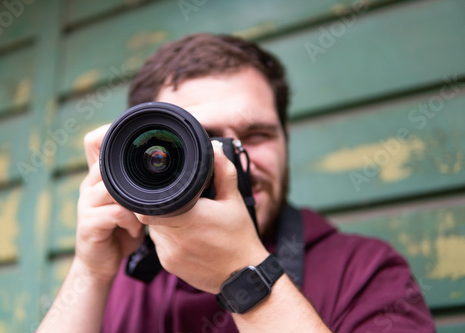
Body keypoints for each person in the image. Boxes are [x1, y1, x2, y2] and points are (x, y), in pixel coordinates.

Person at [39, 34, 435, 332]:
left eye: (257, 135)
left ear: (285, 140)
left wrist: (244, 275)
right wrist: (90, 273)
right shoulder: (123, 278)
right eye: (206, 137)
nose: (233, 159)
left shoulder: (363, 272)